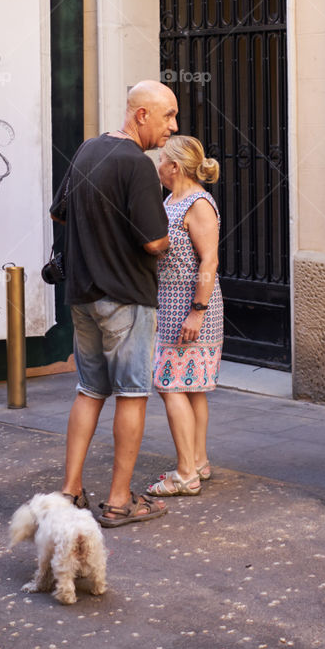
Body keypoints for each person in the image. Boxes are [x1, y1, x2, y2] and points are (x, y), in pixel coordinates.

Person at [51, 79, 179, 528]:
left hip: (83, 295)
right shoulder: (138, 165)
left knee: (89, 391)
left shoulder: (88, 149)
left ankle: (69, 491)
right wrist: (167, 240)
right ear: (141, 114)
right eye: (168, 116)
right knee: (132, 394)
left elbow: (59, 213)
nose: (173, 126)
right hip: (126, 296)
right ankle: (120, 501)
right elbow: (154, 241)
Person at [146, 135, 223, 498]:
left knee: (169, 384)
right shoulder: (170, 200)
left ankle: (185, 474)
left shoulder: (198, 203)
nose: (158, 165)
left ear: (175, 167)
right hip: (171, 305)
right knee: (190, 388)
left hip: (190, 308)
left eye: (161, 159)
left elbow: (209, 261)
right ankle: (198, 461)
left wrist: (197, 312)